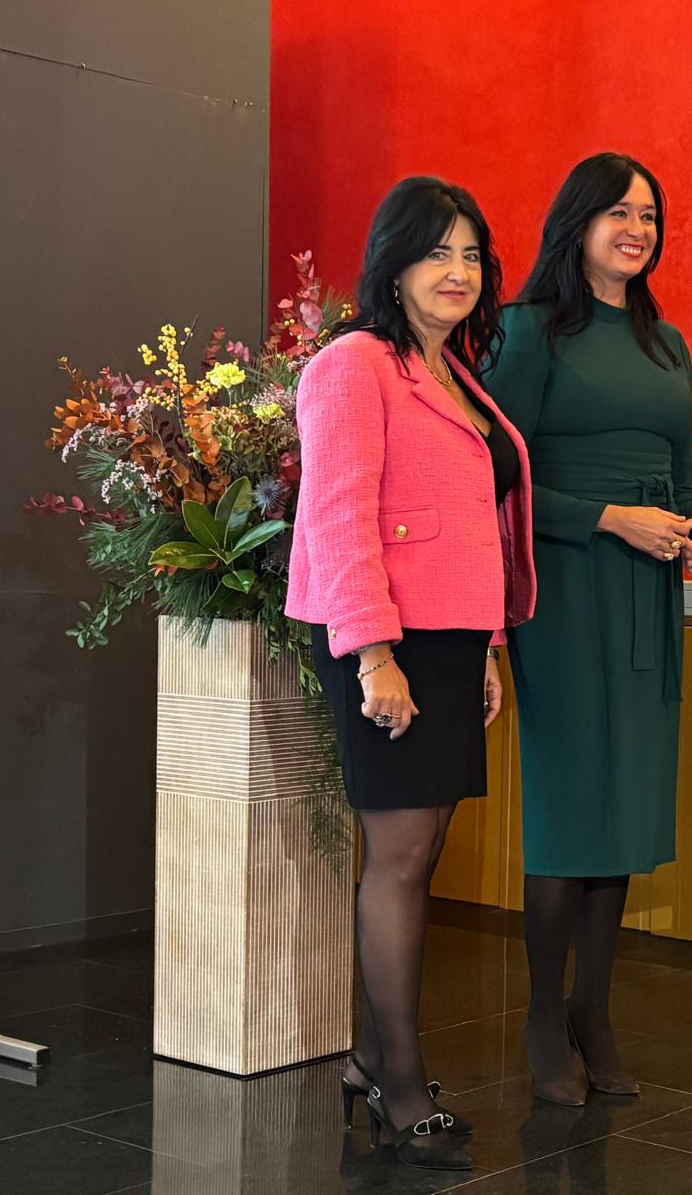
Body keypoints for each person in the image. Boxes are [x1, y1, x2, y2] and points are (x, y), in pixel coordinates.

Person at [286, 177, 535, 1168]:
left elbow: (471, 526)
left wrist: (487, 648)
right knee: (397, 857)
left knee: (421, 851)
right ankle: (398, 1090)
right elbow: (337, 515)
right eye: (437, 252)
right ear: (392, 265)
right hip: (383, 636)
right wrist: (374, 653)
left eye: (471, 254)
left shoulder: (455, 372)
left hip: (450, 638)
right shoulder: (352, 365)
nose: (457, 271)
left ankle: (369, 1056)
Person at [483, 153, 692, 1105]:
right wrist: (608, 518)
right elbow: (500, 475)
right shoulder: (527, 331)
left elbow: (683, 473)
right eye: (619, 212)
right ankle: (544, 1019)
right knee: (569, 804)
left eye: (650, 215)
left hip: (646, 596)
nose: (637, 229)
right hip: (566, 589)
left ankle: (595, 1010)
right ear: (576, 222)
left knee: (621, 804)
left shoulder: (669, 344)